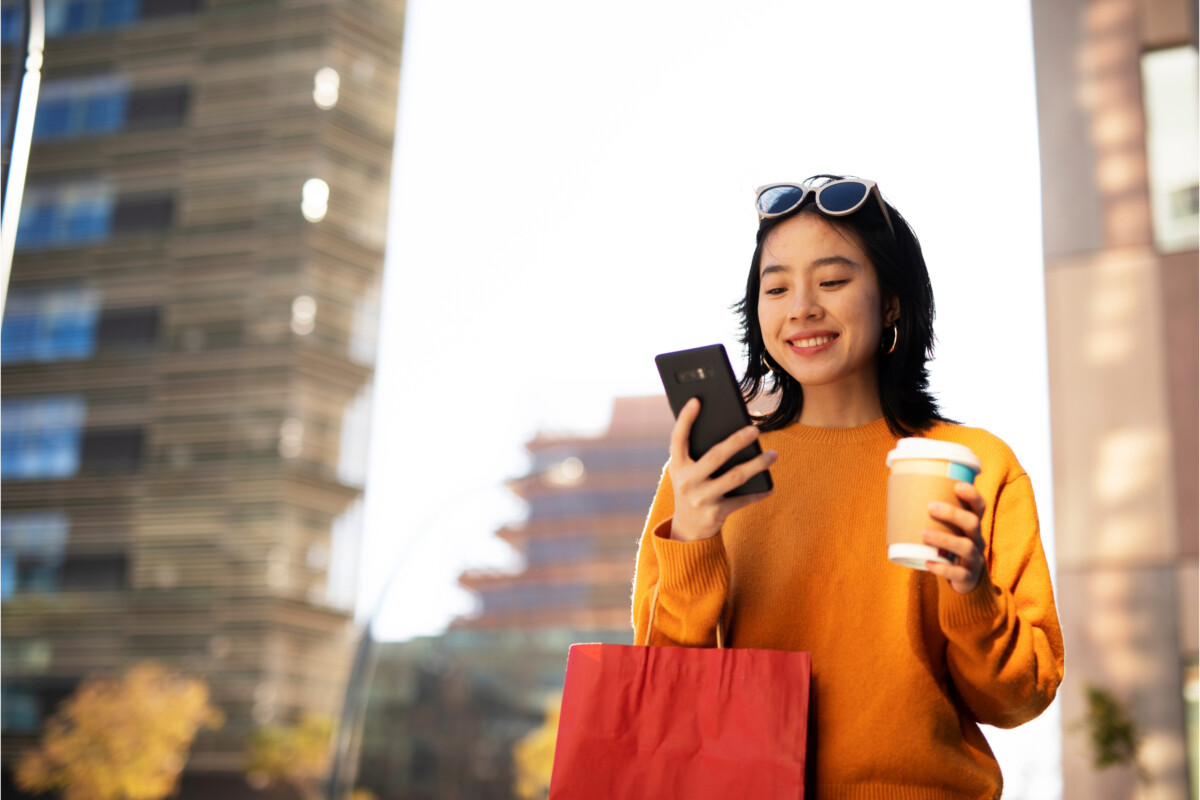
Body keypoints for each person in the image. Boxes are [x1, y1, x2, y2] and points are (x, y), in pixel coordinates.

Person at [631, 175, 1064, 799]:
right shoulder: (707, 474)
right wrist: (695, 539)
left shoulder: (974, 464)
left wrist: (970, 590)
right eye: (776, 287)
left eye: (832, 281)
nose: (801, 307)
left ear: (891, 301)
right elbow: (663, 707)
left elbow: (1018, 700)